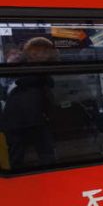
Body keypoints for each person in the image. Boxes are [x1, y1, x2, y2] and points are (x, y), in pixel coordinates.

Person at [0, 37, 59, 170]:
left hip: (16, 119)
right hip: (28, 119)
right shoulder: (35, 74)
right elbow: (46, 83)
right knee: (44, 152)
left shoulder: (24, 69)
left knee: (17, 156)